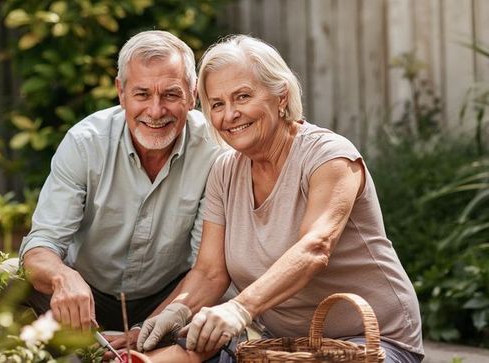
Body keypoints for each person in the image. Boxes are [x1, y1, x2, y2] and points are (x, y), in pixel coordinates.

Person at [137, 35, 424, 363]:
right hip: (283, 347)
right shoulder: (224, 171)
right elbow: (209, 272)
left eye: (242, 96)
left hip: (370, 342)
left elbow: (315, 248)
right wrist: (175, 312)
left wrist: (240, 308)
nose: (229, 114)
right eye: (217, 104)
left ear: (281, 95)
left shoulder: (330, 158)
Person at [18, 30, 221, 352]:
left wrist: (148, 329)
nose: (156, 111)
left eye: (170, 94)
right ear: (121, 92)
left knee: (216, 326)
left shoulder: (215, 153)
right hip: (87, 292)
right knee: (6, 280)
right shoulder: (85, 143)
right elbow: (41, 244)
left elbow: (206, 269)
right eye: (142, 94)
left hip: (171, 294)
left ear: (193, 95)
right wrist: (62, 278)